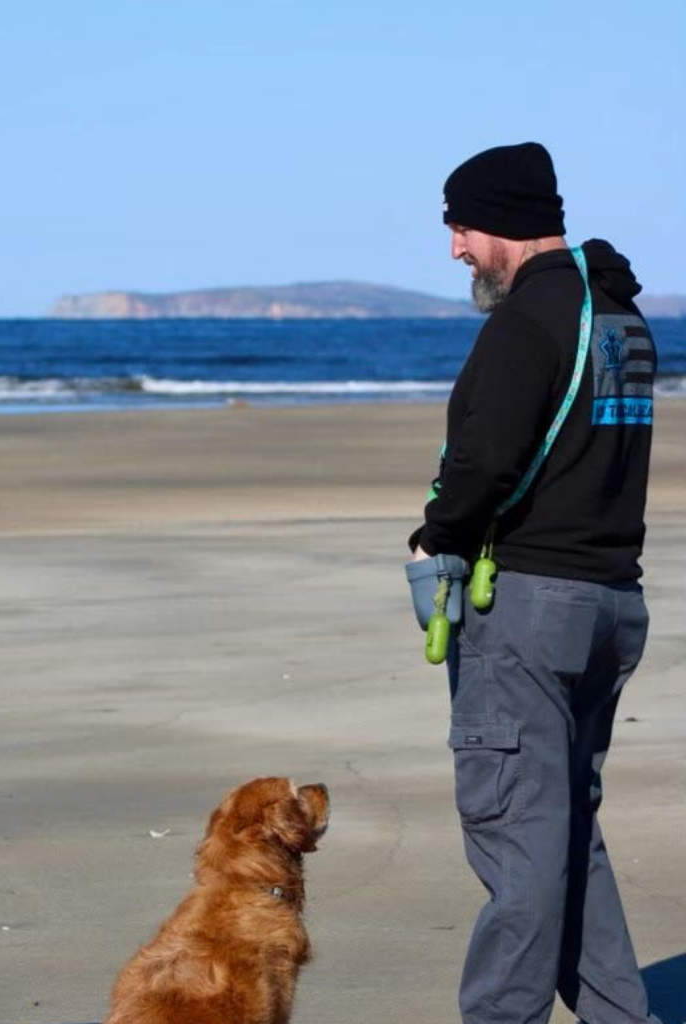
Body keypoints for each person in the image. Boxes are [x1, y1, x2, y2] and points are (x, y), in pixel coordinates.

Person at [408, 142, 661, 1024]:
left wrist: (433, 537)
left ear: (501, 225)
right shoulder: (619, 317)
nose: (456, 252)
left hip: (530, 608)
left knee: (518, 841)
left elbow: (483, 461)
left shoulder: (526, 323)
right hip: (610, 605)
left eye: (461, 229)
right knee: (561, 839)